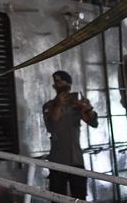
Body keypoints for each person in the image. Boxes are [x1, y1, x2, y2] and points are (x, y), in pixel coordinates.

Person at [43, 70, 98, 199]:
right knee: (57, 198)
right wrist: (59, 104)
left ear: (69, 85)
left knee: (79, 198)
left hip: (76, 159)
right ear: (54, 87)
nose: (59, 85)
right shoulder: (49, 106)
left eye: (62, 82)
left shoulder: (77, 105)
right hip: (57, 160)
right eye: (57, 82)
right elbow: (52, 126)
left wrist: (86, 107)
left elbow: (94, 123)